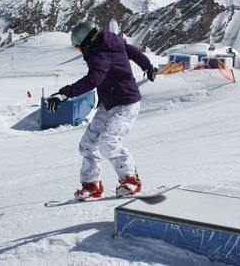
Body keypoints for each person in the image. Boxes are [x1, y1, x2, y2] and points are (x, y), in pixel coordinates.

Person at [46, 21, 158, 200]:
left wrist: (64, 94)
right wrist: (148, 66)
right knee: (88, 144)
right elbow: (133, 52)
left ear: (89, 42)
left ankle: (131, 179)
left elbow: (93, 80)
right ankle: (92, 185)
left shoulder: (101, 55)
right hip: (109, 103)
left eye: (80, 48)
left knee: (108, 142)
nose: (81, 52)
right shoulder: (113, 43)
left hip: (126, 102)